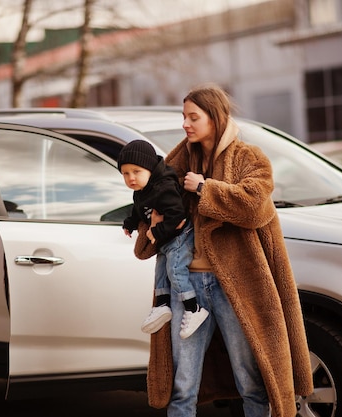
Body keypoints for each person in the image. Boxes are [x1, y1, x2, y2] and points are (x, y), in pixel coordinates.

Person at [136, 84, 314, 417]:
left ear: (216, 118)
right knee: (182, 385)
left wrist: (205, 188)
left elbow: (255, 208)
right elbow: (151, 201)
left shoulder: (249, 158)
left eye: (193, 117)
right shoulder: (176, 161)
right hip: (187, 288)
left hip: (237, 287)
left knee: (250, 381)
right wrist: (149, 219)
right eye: (184, 117)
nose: (186, 124)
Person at [118, 140, 209, 338]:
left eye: (136, 171)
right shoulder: (142, 190)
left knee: (175, 271)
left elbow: (178, 216)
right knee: (160, 273)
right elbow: (139, 209)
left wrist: (157, 232)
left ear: (150, 168)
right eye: (126, 173)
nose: (131, 178)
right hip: (166, 240)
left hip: (180, 237)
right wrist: (131, 223)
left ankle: (193, 309)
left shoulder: (164, 187)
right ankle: (161, 305)